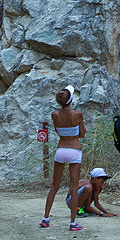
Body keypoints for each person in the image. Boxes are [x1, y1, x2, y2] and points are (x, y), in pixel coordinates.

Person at [41, 85, 86, 231]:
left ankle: (46, 218)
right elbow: (82, 133)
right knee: (73, 188)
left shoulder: (55, 115)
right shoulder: (78, 114)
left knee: (55, 186)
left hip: (61, 149)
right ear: (71, 100)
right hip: (74, 149)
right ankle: (73, 223)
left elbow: (57, 130)